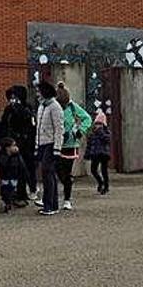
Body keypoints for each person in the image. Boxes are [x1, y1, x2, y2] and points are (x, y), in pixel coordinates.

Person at [56, 82, 92, 211]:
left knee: (66, 172)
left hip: (70, 144)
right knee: (57, 171)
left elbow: (87, 118)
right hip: (57, 143)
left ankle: (67, 199)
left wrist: (80, 131)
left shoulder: (72, 107)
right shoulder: (54, 107)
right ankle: (56, 196)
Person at [0, 85, 38, 201]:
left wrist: (18, 108)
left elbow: (30, 124)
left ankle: (32, 188)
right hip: (11, 142)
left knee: (28, 167)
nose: (12, 100)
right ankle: (16, 192)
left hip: (26, 143)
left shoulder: (27, 108)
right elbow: (4, 125)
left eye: (15, 97)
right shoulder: (8, 110)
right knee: (13, 168)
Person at [35, 81, 64, 216]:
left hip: (51, 143)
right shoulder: (41, 107)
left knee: (48, 173)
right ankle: (51, 204)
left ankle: (50, 205)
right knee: (46, 173)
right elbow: (38, 128)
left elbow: (59, 129)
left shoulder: (55, 107)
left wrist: (57, 148)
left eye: (39, 91)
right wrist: (37, 145)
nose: (37, 94)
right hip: (43, 143)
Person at [0, 137, 27, 213]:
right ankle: (7, 202)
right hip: (5, 176)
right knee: (5, 190)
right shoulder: (1, 156)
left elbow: (21, 166)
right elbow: (0, 165)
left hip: (14, 175)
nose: (15, 147)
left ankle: (11, 201)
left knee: (12, 189)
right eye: (13, 145)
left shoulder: (16, 156)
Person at [85, 110, 111, 195]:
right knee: (93, 170)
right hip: (95, 154)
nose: (98, 126)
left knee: (104, 170)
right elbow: (89, 144)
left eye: (100, 124)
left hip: (103, 153)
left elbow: (107, 140)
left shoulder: (105, 132)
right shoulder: (92, 133)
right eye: (96, 123)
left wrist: (101, 132)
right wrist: (87, 153)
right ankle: (100, 182)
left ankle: (106, 186)